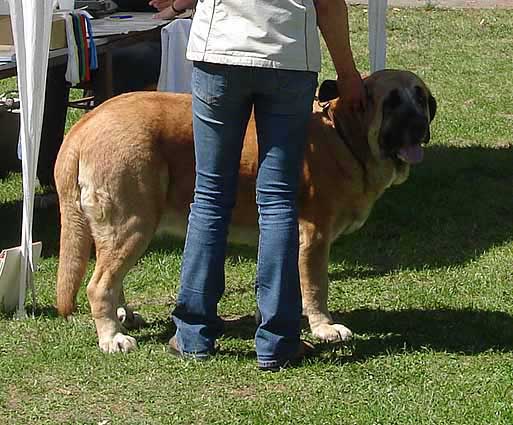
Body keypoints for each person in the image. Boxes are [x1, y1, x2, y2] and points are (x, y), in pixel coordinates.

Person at [159, 0, 365, 371]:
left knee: (210, 195)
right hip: (287, 54)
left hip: (219, 48)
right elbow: (330, 4)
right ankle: (278, 340)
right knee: (278, 199)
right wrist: (347, 73)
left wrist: (177, 4)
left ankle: (192, 334)